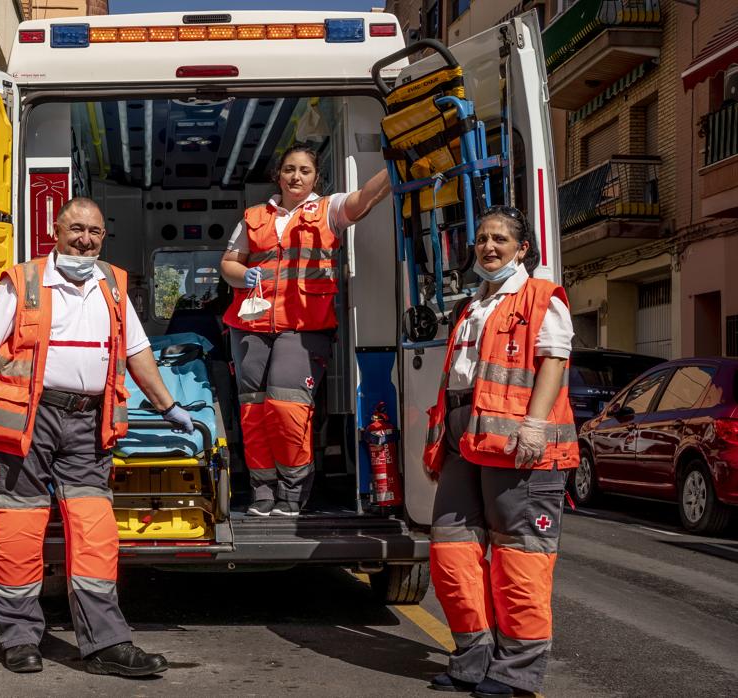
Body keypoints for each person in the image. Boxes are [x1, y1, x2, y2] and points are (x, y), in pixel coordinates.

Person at [0, 197, 194, 677]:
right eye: (76, 229)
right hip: (27, 423)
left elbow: (138, 351)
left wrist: (168, 404)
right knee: (18, 530)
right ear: (55, 229)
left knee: (96, 532)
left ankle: (106, 643)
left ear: (103, 237)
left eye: (95, 232)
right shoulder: (21, 282)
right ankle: (19, 637)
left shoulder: (113, 284)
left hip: (87, 423)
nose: (85, 239)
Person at [422, 206, 576, 697]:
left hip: (520, 450)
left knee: (520, 562)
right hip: (465, 444)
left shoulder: (541, 297)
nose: (489, 247)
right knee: (450, 553)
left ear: (522, 249)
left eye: (500, 240)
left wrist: (534, 426)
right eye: (483, 240)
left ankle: (516, 674)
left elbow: (554, 360)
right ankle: (472, 661)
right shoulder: (474, 303)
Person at [220, 144, 390, 516]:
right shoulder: (254, 216)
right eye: (289, 169)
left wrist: (394, 165)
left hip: (303, 327)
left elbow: (364, 199)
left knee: (286, 408)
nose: (296, 177)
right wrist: (242, 275)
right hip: (250, 325)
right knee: (253, 410)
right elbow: (229, 263)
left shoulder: (328, 211)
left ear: (316, 177)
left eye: (305, 171)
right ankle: (262, 489)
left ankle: (293, 490)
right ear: (277, 175)